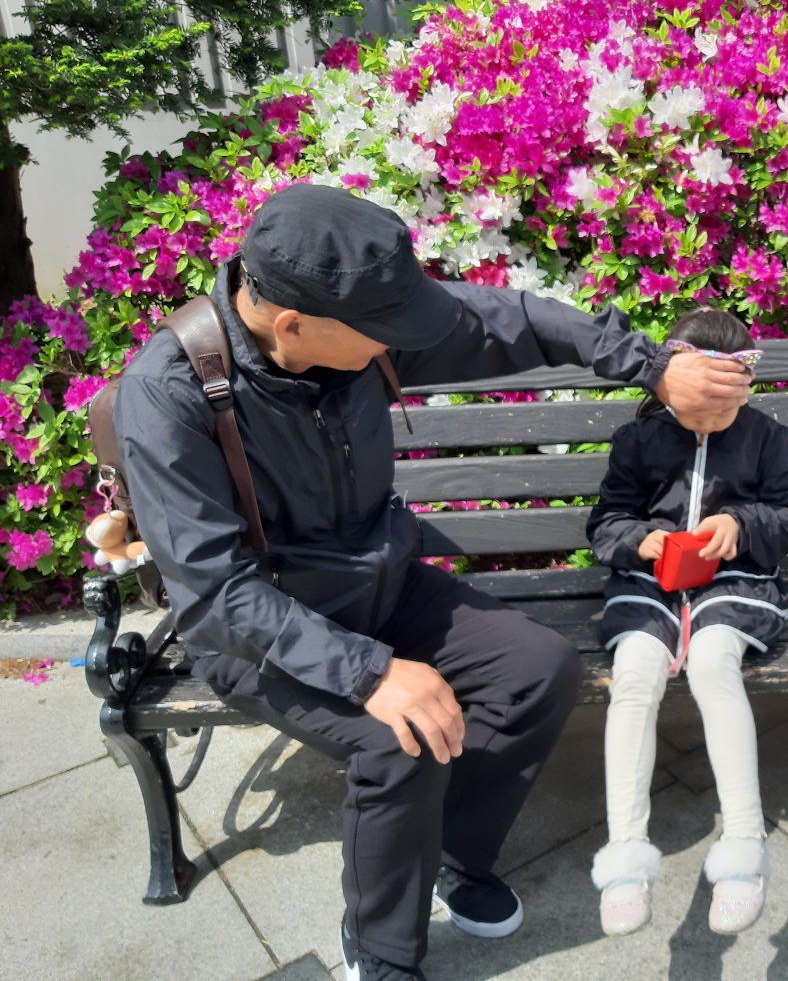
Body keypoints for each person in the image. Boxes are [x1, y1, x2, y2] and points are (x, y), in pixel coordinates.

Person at [113, 185, 753, 981]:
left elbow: (518, 319)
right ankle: (381, 951)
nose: (406, 342)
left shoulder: (359, 325)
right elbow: (217, 591)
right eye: (388, 333)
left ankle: (448, 849)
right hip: (260, 634)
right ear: (293, 326)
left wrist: (654, 368)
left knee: (538, 670)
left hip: (382, 586)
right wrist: (372, 673)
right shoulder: (169, 393)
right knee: (398, 738)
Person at [584, 307, 788, 938]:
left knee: (713, 661)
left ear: (745, 388)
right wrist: (641, 540)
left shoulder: (770, 439)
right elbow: (606, 522)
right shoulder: (638, 440)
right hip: (649, 585)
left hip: (736, 584)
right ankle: (625, 856)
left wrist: (740, 523)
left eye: (723, 411)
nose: (707, 422)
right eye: (694, 411)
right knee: (634, 674)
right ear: (671, 388)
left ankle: (744, 847)